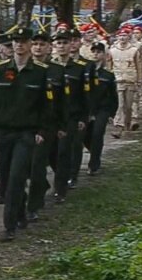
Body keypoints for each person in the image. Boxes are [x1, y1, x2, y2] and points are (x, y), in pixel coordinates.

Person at [0, 27, 57, 242]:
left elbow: (48, 105)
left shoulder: (41, 72)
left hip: (27, 133)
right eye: (15, 41)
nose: (18, 45)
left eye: (23, 41)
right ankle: (19, 212)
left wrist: (42, 131)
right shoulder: (0, 70)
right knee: (6, 178)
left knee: (17, 176)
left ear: (29, 45)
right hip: (3, 132)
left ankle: (9, 226)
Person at [26, 29, 62, 222]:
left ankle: (33, 205)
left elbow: (61, 101)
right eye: (35, 44)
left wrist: (62, 125)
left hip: (48, 126)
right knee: (25, 166)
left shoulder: (55, 71)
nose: (38, 48)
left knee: (38, 165)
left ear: (49, 47)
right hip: (25, 125)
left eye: (42, 44)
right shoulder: (25, 68)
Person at [51, 26, 90, 203]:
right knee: (51, 153)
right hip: (52, 117)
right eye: (58, 43)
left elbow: (85, 95)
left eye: (65, 43)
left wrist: (83, 117)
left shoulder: (79, 68)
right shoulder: (49, 67)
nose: (62, 46)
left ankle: (62, 187)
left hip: (71, 116)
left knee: (65, 151)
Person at [86, 42, 118, 175]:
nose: (95, 54)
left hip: (102, 110)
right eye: (93, 52)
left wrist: (112, 113)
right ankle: (95, 152)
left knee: (97, 134)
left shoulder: (108, 75)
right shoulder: (85, 72)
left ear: (104, 55)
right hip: (87, 109)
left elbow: (113, 96)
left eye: (98, 52)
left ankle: (94, 164)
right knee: (87, 136)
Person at [108, 27, 142, 139]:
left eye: (125, 35)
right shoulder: (112, 50)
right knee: (120, 104)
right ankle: (118, 126)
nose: (122, 38)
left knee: (128, 106)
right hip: (118, 80)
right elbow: (109, 66)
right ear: (117, 37)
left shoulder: (133, 50)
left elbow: (138, 66)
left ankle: (128, 123)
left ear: (129, 37)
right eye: (120, 36)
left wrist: (139, 80)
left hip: (130, 80)